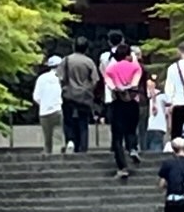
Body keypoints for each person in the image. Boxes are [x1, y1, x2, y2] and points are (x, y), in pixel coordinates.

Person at [102, 44, 143, 180]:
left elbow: (109, 84)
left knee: (118, 137)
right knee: (131, 130)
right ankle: (132, 148)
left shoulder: (111, 68)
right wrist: (130, 88)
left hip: (118, 103)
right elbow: (136, 83)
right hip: (132, 102)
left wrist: (118, 88)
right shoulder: (135, 67)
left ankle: (122, 167)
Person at [61, 40, 100, 154]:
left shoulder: (67, 60)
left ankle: (71, 141)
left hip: (69, 95)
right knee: (83, 123)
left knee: (68, 121)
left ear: (74, 46)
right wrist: (88, 89)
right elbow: (95, 80)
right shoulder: (89, 62)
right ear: (86, 48)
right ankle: (83, 147)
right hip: (84, 97)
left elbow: (61, 77)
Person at [33, 56, 64, 155]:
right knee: (58, 137)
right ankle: (57, 157)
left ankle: (47, 155)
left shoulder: (41, 78)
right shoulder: (61, 78)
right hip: (57, 110)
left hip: (44, 112)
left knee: (47, 139)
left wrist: (43, 104)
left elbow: (36, 96)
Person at [145, 75, 168, 152]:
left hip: (146, 127)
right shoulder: (162, 96)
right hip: (159, 126)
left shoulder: (141, 97)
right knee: (157, 150)